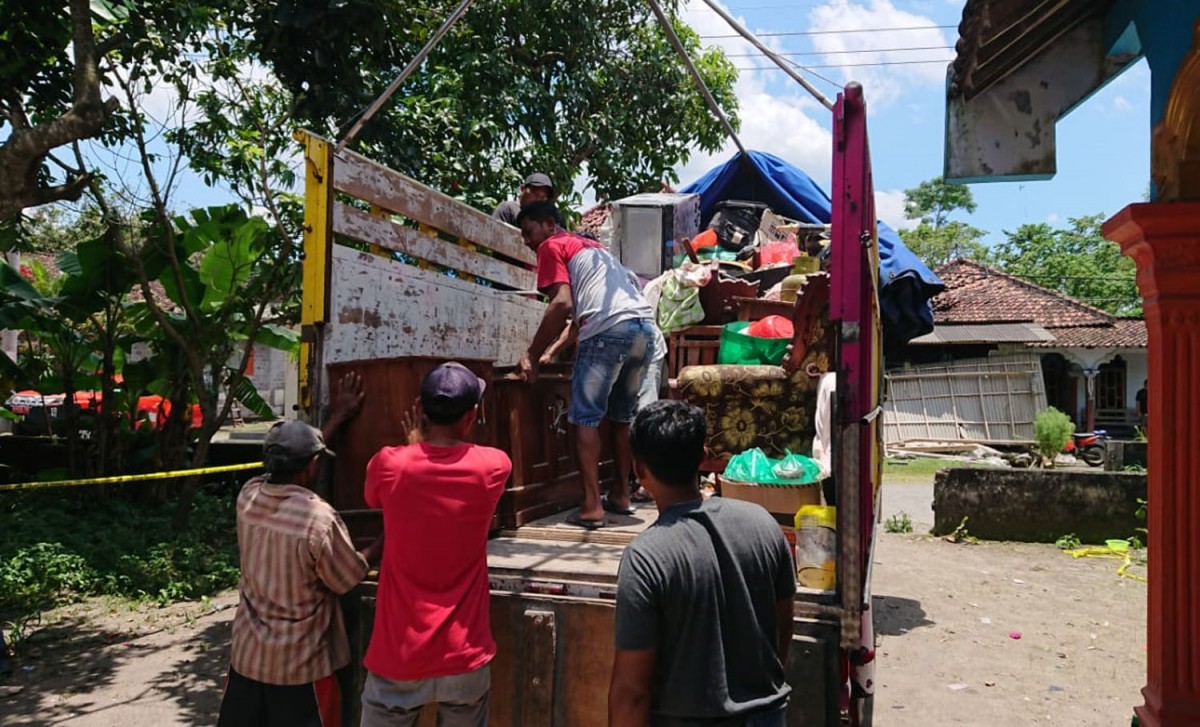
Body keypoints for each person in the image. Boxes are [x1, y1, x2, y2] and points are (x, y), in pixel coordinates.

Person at [609, 401, 796, 726]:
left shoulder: (645, 558)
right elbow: (782, 631)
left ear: (639, 470)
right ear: (703, 457)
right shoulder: (763, 524)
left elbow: (632, 692)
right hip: (767, 714)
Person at [218, 373, 380, 727]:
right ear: (312, 466)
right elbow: (348, 576)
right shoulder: (318, 520)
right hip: (300, 669)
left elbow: (297, 463)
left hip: (248, 659)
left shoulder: (248, 496)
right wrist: (387, 538)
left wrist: (335, 419)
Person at [359, 362, 512, 726]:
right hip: (464, 655)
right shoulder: (493, 467)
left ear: (421, 411)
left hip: (398, 655)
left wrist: (414, 448)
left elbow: (374, 498)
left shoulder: (389, 465)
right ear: (473, 415)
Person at [517, 200, 657, 529]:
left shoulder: (552, 245)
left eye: (528, 231)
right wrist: (553, 350)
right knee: (621, 417)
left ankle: (592, 506)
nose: (527, 240)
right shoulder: (596, 250)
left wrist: (532, 355)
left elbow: (562, 305)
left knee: (585, 419)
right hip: (643, 330)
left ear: (550, 224)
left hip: (608, 332)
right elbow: (581, 319)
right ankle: (621, 495)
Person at [492, 172, 557, 226]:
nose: (538, 200)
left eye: (543, 198)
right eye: (536, 194)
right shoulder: (508, 209)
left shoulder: (543, 222)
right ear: (523, 189)